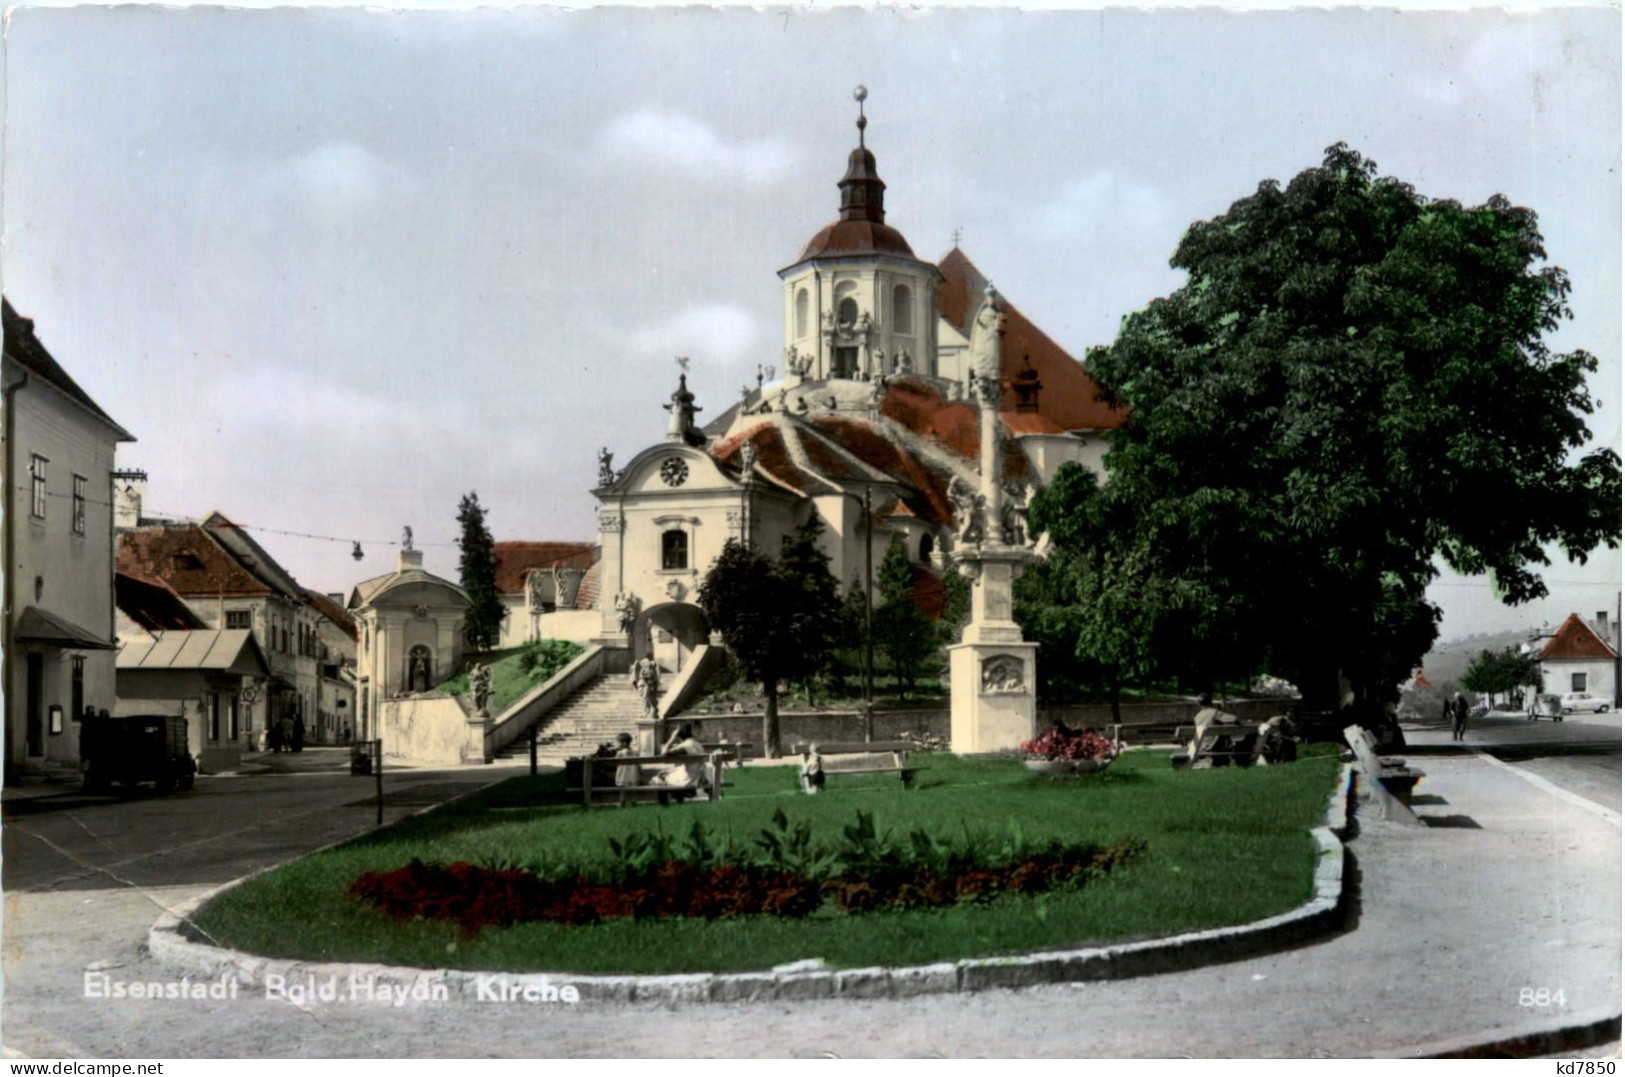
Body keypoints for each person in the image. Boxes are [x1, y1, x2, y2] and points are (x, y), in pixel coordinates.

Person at [653, 722, 708, 803]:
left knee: (658, 780)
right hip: (695, 779)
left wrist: (672, 737)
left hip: (687, 781)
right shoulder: (699, 745)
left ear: (679, 736)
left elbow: (663, 753)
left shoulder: (685, 746)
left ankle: (664, 806)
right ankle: (679, 801)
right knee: (665, 775)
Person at [613, 732, 639, 808]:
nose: (617, 744)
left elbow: (615, 762)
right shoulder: (634, 752)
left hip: (623, 774)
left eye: (618, 742)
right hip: (633, 774)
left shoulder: (620, 753)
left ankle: (622, 803)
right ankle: (634, 803)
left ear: (624, 743)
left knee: (622, 791)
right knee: (633, 791)